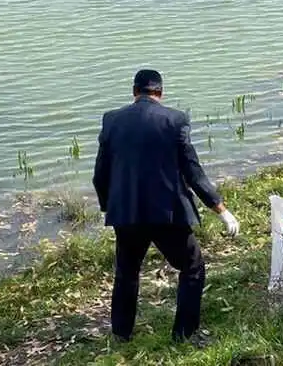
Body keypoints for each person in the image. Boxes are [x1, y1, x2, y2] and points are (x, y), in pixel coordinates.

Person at [93, 69, 241, 346]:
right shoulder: (175, 120)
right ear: (160, 93)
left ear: (134, 91)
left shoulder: (112, 120)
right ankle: (184, 334)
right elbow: (193, 172)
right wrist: (221, 209)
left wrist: (109, 206)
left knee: (127, 272)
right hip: (167, 214)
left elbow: (100, 174)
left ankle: (121, 334)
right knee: (192, 267)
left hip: (126, 214)